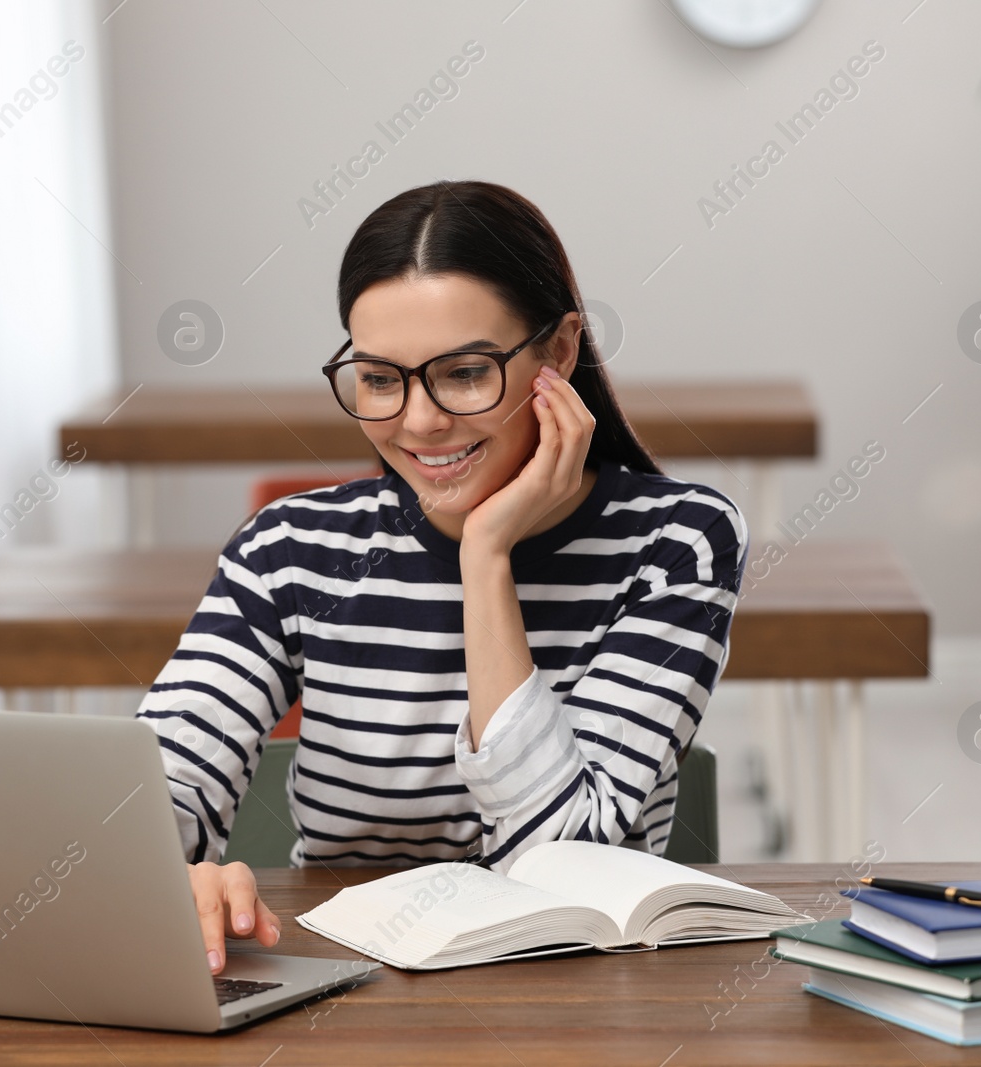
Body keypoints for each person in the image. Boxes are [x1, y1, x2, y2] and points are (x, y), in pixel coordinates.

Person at [135, 179, 748, 975]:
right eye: (381, 379)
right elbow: (155, 795)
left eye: (463, 372)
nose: (419, 421)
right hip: (343, 986)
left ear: (560, 351)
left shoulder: (678, 541)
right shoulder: (286, 548)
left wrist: (485, 556)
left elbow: (564, 868)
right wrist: (174, 872)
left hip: (584, 997)